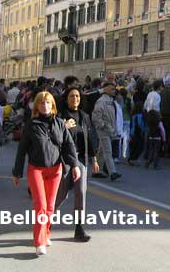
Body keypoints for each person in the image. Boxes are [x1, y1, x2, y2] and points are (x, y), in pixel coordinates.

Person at [12, 92, 81, 256]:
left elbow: (68, 146)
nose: (45, 106)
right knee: (41, 206)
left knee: (50, 207)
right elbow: (21, 150)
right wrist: (17, 172)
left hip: (55, 170)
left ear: (53, 105)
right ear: (36, 106)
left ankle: (46, 233)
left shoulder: (59, 123)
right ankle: (39, 242)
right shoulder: (31, 125)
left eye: (48, 103)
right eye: (42, 103)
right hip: (36, 169)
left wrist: (75, 165)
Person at [55, 87, 99, 241]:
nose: (75, 99)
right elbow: (52, 138)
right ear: (66, 99)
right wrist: (63, 127)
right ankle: (45, 217)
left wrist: (94, 158)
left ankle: (79, 228)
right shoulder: (59, 117)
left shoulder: (84, 116)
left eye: (78, 96)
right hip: (64, 161)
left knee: (81, 192)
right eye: (72, 96)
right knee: (62, 195)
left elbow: (88, 138)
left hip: (80, 161)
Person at [91, 82, 122, 181]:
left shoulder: (111, 101)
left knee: (101, 151)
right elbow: (96, 116)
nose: (114, 91)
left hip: (109, 129)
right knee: (108, 151)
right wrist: (103, 125)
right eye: (112, 89)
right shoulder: (101, 101)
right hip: (104, 130)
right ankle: (112, 172)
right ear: (106, 90)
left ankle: (97, 170)